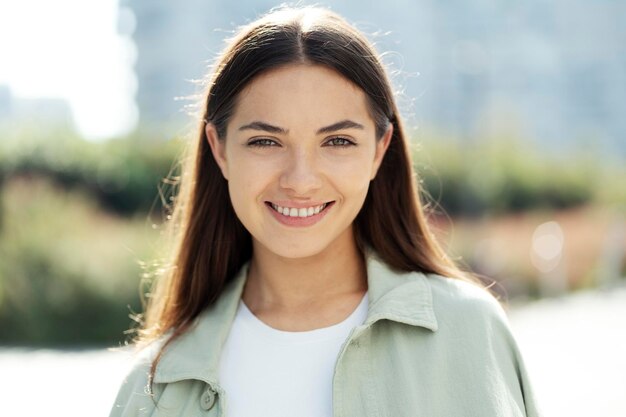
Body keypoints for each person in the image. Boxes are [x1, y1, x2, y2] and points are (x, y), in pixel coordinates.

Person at [110, 5, 541, 417]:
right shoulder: (156, 384)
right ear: (220, 149)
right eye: (265, 141)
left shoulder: (466, 330)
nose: (300, 181)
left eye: (337, 142)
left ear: (379, 150)